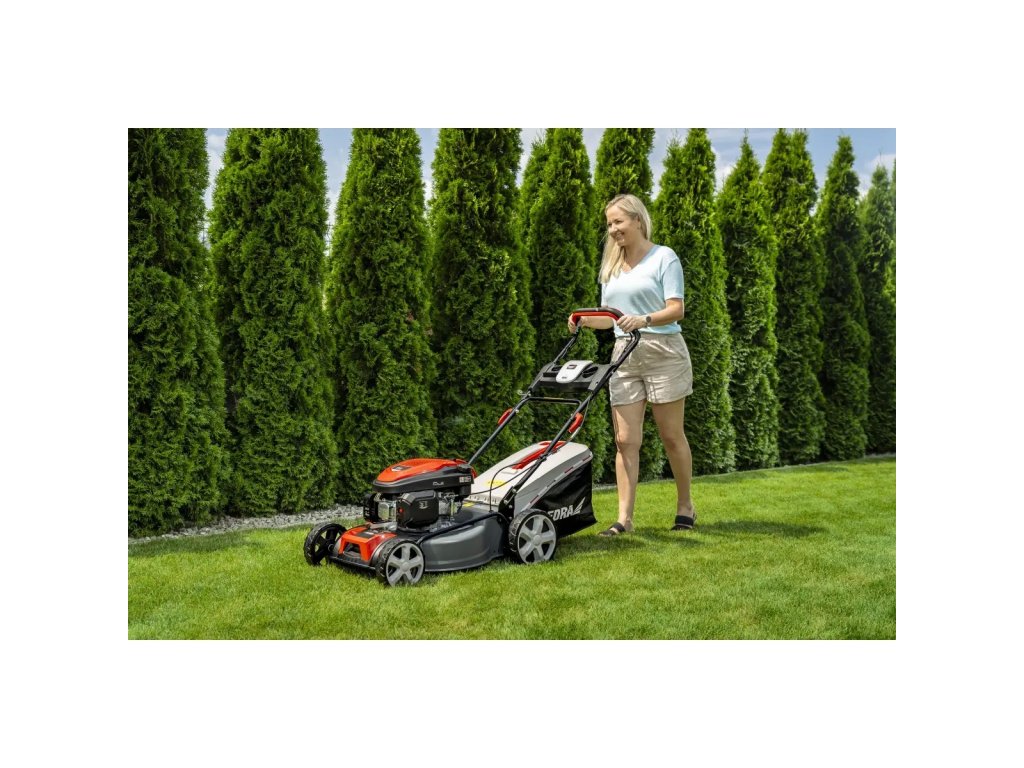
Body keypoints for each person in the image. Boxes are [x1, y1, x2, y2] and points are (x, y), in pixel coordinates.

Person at [568, 193, 695, 536]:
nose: (612, 229)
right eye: (609, 224)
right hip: (624, 354)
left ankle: (685, 506)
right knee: (625, 440)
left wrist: (644, 319)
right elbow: (611, 318)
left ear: (637, 220)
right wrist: (583, 320)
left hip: (663, 350)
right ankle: (624, 519)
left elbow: (676, 309)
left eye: (618, 221)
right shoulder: (611, 266)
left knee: (671, 436)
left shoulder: (664, 257)